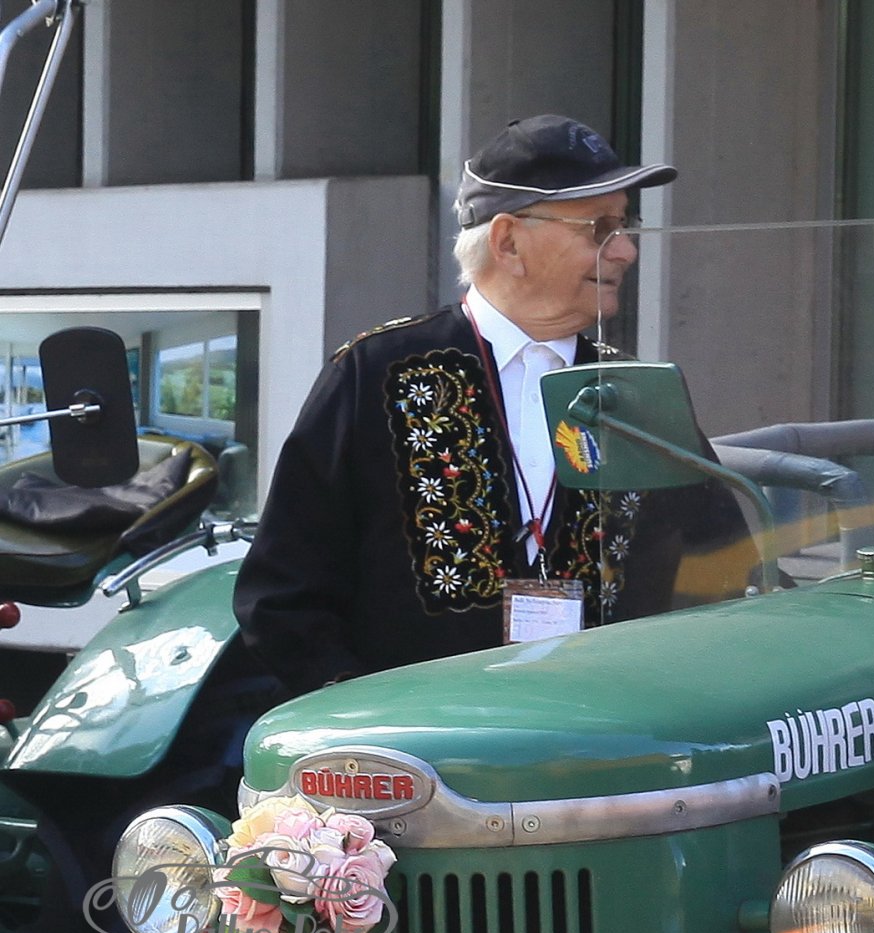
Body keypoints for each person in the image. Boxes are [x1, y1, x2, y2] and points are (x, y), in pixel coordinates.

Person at [235, 114, 746, 692]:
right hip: (423, 735)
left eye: (626, 225)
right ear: (508, 242)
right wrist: (364, 716)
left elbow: (723, 574)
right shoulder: (379, 373)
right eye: (600, 228)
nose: (626, 250)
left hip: (605, 731)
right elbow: (282, 594)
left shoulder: (635, 393)